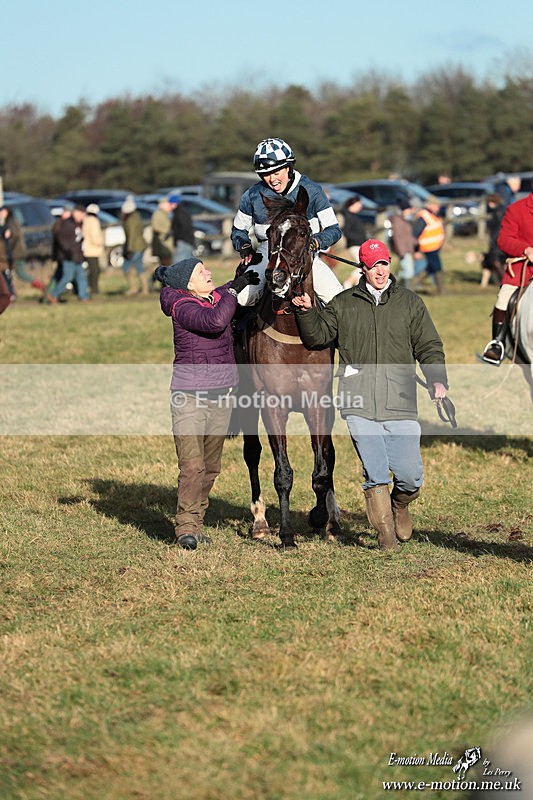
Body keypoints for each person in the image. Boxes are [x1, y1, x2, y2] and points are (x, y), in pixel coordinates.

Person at [292, 238, 448, 551]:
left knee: (411, 477)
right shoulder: (343, 302)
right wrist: (308, 313)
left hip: (400, 400)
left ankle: (399, 505)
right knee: (375, 472)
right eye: (374, 265)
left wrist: (436, 380)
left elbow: (429, 345)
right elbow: (318, 337)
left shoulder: (409, 302)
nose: (380, 270)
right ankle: (386, 538)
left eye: (384, 264)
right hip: (358, 401)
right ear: (363, 268)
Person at [154, 257, 260, 550]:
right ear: (189, 283)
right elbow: (214, 321)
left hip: (222, 395)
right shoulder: (181, 305)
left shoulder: (211, 297)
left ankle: (196, 522)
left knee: (211, 467)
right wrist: (234, 291)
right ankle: (185, 528)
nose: (209, 272)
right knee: (192, 465)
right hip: (189, 397)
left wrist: (241, 274)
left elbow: (222, 296)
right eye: (202, 271)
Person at [231, 137, 343, 306]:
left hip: (303, 253)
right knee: (243, 297)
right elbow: (238, 230)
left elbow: (334, 229)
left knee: (338, 300)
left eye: (277, 172)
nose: (272, 179)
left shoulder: (312, 191)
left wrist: (316, 242)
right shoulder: (252, 195)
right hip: (267, 251)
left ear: (289, 168)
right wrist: (245, 247)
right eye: (266, 175)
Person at [481, 190, 533, 365]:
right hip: (524, 268)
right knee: (504, 297)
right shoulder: (517, 209)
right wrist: (526, 249)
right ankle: (497, 344)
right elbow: (504, 239)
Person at [0, 205, 47, 298]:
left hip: (16, 253)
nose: (1, 214)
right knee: (8, 273)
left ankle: (40, 285)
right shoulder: (9, 223)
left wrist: (8, 236)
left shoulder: (11, 224)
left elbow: (13, 237)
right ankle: (10, 292)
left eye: (3, 212)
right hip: (14, 253)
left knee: (20, 273)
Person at [47, 206, 88, 304]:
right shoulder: (66, 224)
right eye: (81, 214)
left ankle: (83, 296)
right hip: (68, 256)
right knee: (67, 277)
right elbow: (63, 241)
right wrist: (70, 252)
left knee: (81, 276)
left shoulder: (77, 224)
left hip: (77, 256)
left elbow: (77, 239)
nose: (82, 217)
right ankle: (54, 294)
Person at [411, 196, 445, 294]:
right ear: (430, 205)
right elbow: (415, 234)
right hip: (428, 247)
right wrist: (416, 250)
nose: (438, 207)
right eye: (436, 205)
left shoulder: (432, 215)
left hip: (434, 247)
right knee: (437, 267)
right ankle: (440, 290)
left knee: (430, 268)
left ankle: (412, 286)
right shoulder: (424, 217)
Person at [121, 196, 148, 296]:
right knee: (139, 268)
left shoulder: (131, 219)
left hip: (134, 247)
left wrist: (129, 249)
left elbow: (132, 235)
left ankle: (135, 288)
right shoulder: (136, 216)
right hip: (139, 246)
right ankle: (144, 289)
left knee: (127, 267)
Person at [388, 197, 416, 289]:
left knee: (406, 271)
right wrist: (401, 251)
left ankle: (393, 286)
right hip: (403, 250)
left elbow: (408, 236)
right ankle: (393, 287)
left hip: (406, 249)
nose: (410, 211)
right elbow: (398, 238)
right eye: (409, 209)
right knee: (408, 272)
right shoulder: (398, 221)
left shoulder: (404, 220)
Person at [479, 193, 506, 289]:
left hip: (499, 241)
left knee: (497, 262)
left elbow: (498, 228)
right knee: (497, 262)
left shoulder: (499, 212)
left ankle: (506, 282)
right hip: (496, 241)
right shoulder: (495, 211)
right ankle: (504, 282)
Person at [341, 195, 367, 288]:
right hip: (354, 244)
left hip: (360, 244)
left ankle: (357, 285)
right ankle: (348, 283)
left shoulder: (356, 216)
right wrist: (357, 239)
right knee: (363, 266)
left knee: (362, 267)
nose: (360, 206)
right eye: (358, 204)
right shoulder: (347, 215)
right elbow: (346, 231)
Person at [82, 203, 105, 295]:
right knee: (95, 271)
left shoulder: (85, 220)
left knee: (91, 270)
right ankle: (94, 289)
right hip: (93, 250)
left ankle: (89, 287)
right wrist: (100, 242)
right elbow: (95, 235)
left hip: (87, 249)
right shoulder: (94, 221)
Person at [151, 196, 177, 268]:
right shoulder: (158, 214)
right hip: (163, 244)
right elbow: (155, 227)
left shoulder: (165, 215)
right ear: (162, 205)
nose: (169, 206)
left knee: (166, 266)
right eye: (167, 204)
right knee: (166, 266)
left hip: (167, 244)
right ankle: (153, 278)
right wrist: (166, 232)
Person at [169, 194, 195, 262]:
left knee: (177, 263)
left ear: (174, 204)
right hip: (188, 240)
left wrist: (178, 237)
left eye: (170, 203)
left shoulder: (179, 213)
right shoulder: (183, 212)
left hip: (183, 241)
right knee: (187, 263)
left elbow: (183, 226)